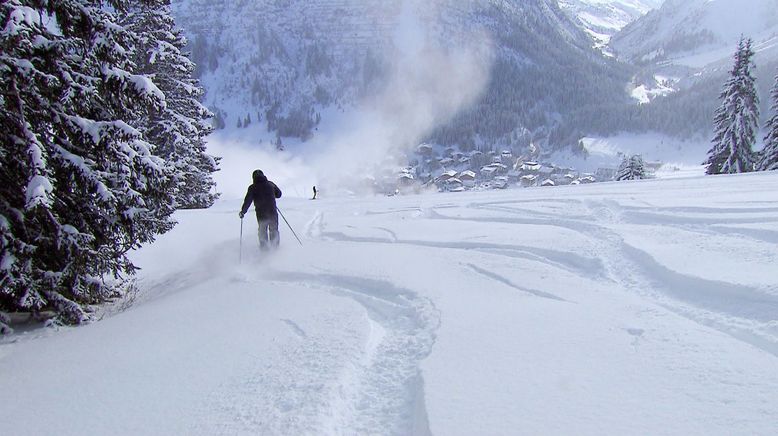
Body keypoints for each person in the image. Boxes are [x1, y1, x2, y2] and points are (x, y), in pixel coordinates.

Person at [239, 169, 282, 250]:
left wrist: (243, 211)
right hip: (272, 211)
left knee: (262, 231)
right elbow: (279, 194)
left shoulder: (252, 187)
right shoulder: (270, 184)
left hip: (261, 214)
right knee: (274, 230)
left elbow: (248, 201)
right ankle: (275, 249)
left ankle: (264, 250)